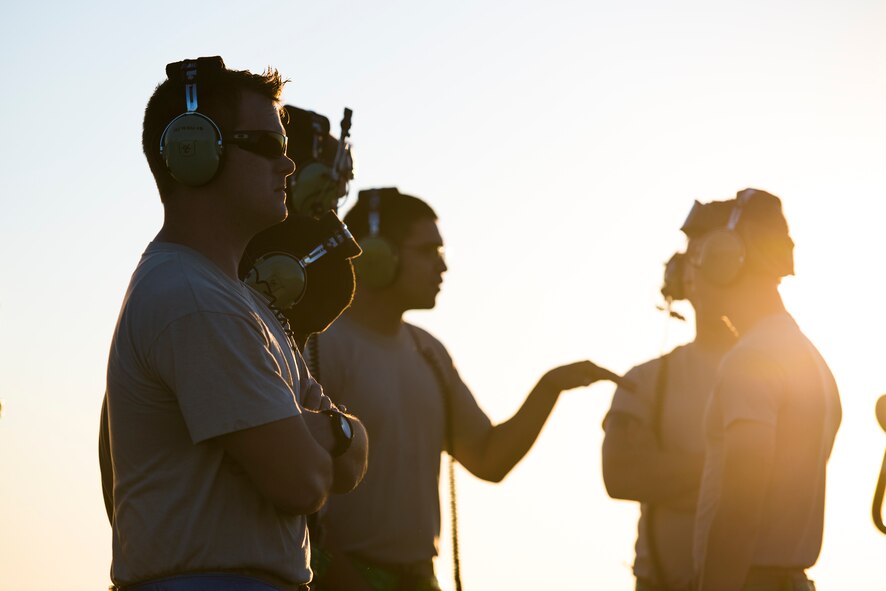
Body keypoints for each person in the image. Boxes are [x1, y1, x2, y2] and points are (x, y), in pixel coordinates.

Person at [102, 57, 368, 591]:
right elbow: (305, 482)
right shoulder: (194, 301)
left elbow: (349, 463)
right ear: (195, 151)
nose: (288, 167)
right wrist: (324, 431)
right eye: (267, 146)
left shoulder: (243, 307)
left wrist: (328, 430)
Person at [311, 187, 628, 591]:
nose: (441, 268)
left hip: (420, 578)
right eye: (428, 251)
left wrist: (551, 387)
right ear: (375, 254)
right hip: (341, 580)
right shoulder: (321, 345)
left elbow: (487, 458)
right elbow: (304, 492)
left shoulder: (429, 353)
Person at [686, 189, 841, 591]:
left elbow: (740, 508)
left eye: (701, 255)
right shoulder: (808, 358)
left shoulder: (752, 361)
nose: (693, 273)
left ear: (727, 258)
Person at [602, 226, 737, 590]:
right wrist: (729, 470)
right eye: (702, 260)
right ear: (682, 276)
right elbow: (620, 475)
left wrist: (670, 473)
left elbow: (783, 480)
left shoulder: (782, 376)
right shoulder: (645, 381)